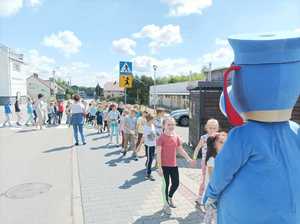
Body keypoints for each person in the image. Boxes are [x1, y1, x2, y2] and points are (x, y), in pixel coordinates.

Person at [156, 117, 196, 215]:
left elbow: (180, 149)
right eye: (169, 124)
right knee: (165, 185)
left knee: (176, 183)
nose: (171, 126)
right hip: (164, 166)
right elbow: (158, 153)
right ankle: (165, 205)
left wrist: (188, 159)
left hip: (173, 165)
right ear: (164, 126)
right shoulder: (161, 138)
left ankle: (169, 197)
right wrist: (159, 167)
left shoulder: (176, 136)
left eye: (173, 124)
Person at [201, 132, 227, 224]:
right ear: (214, 145)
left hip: (219, 191)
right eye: (221, 142)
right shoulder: (212, 159)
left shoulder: (224, 157)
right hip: (214, 192)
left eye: (226, 142)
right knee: (213, 215)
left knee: (211, 215)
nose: (225, 144)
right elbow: (213, 179)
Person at [193, 119, 219, 207]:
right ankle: (200, 197)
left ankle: (213, 198)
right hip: (205, 162)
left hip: (216, 162)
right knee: (204, 180)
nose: (212, 130)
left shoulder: (219, 138)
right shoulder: (204, 138)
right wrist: (194, 158)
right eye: (210, 128)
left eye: (214, 128)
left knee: (214, 180)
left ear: (217, 128)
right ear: (206, 128)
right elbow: (197, 148)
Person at [144, 114, 156, 181]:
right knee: (150, 159)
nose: (154, 120)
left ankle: (147, 164)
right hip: (148, 145)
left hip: (153, 144)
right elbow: (148, 137)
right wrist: (153, 136)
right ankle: (148, 174)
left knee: (151, 158)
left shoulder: (152, 125)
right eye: (153, 119)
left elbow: (153, 134)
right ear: (150, 120)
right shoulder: (146, 127)